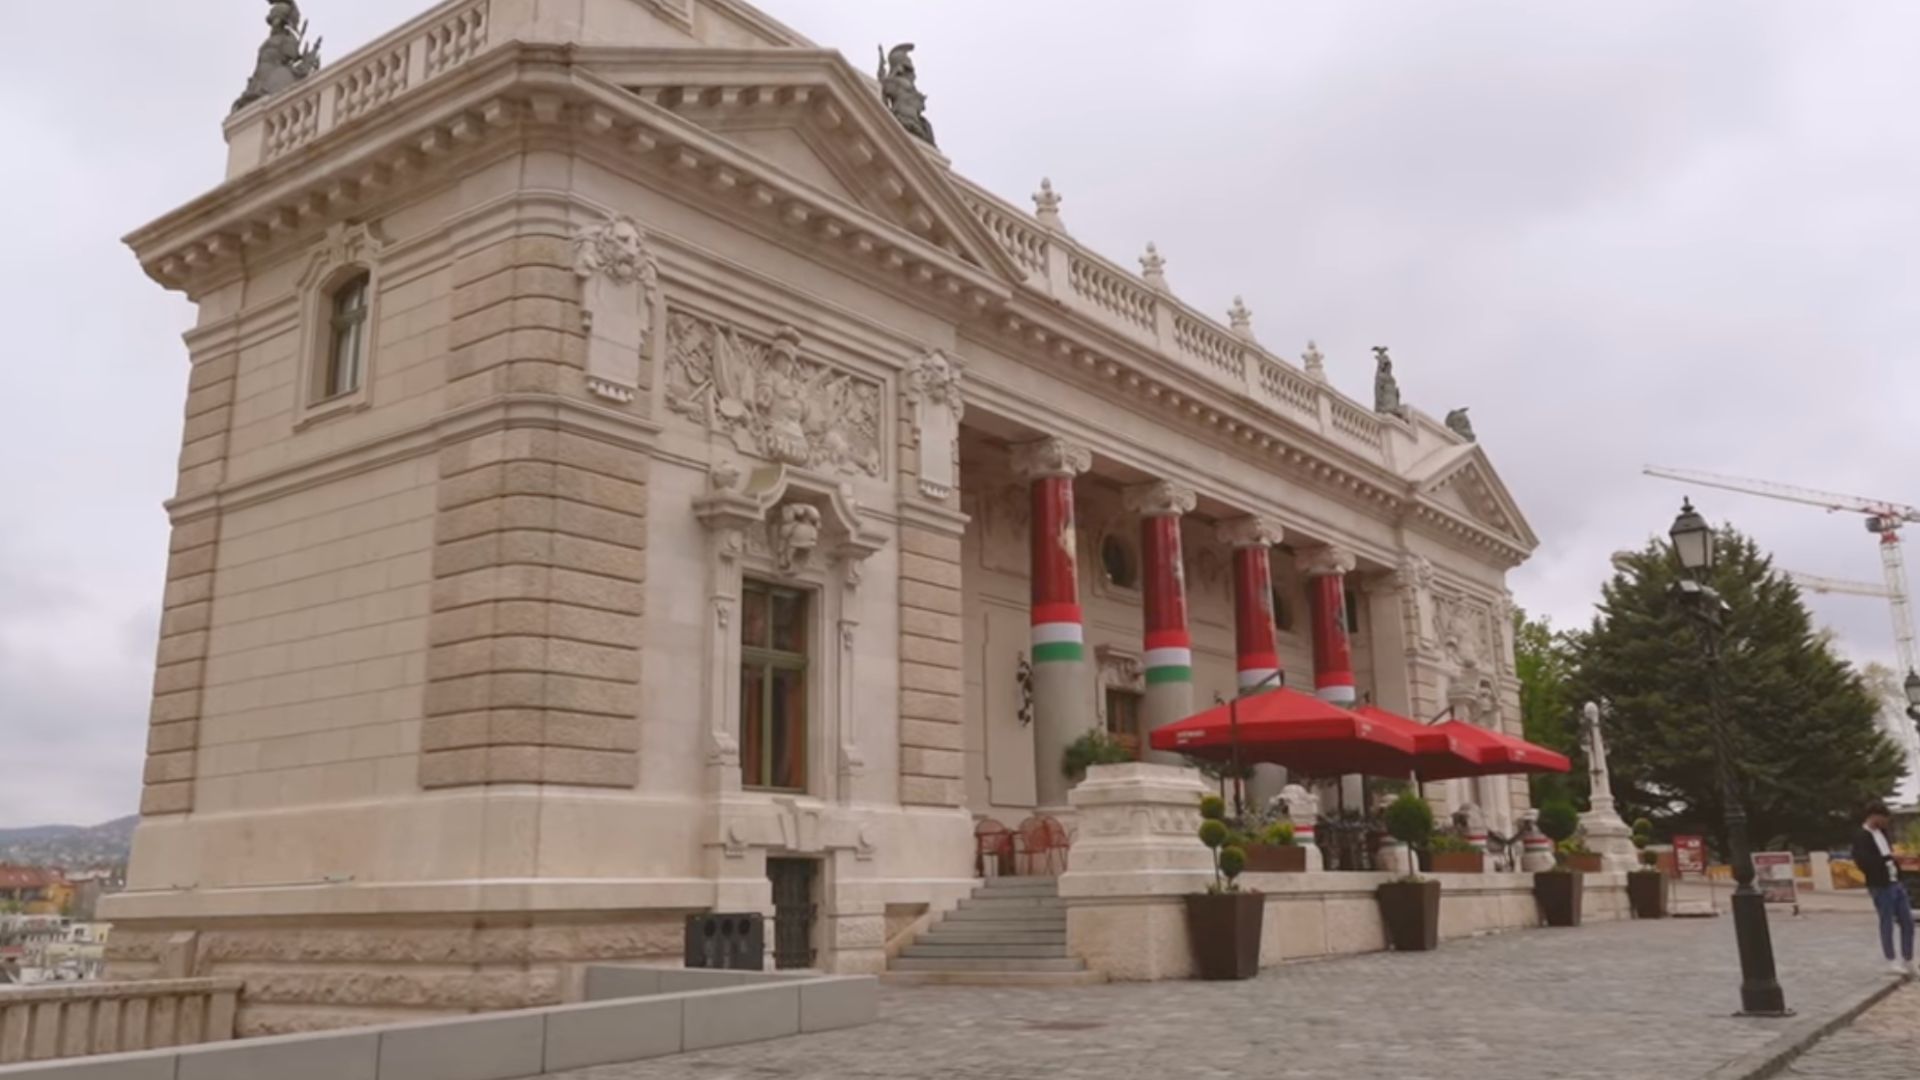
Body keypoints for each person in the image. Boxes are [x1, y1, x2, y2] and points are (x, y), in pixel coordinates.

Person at [1850, 803, 1915, 976]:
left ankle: (1907, 958)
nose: (1886, 822)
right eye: (1883, 819)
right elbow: (1863, 862)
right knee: (1887, 921)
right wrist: (1887, 858)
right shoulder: (1861, 837)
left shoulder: (1883, 833)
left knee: (1907, 922)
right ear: (1874, 816)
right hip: (1880, 885)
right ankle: (1891, 960)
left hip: (1895, 881)